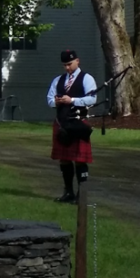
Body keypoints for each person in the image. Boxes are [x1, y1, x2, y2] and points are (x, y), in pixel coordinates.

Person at [47, 49, 97, 204]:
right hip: (61, 124)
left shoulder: (86, 79)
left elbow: (92, 99)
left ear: (77, 61)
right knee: (64, 159)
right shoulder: (58, 80)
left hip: (78, 123)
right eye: (64, 65)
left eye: (69, 64)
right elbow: (49, 100)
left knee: (80, 160)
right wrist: (56, 101)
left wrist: (72, 100)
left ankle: (82, 195)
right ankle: (68, 192)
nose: (67, 68)